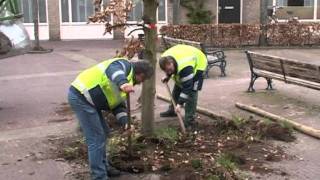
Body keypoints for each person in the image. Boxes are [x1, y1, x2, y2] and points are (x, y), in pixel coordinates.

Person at [68, 58, 153, 180]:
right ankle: (99, 176)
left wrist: (126, 123)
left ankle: (104, 167)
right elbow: (113, 70)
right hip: (81, 97)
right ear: (141, 74)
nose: (141, 82)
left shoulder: (128, 80)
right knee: (96, 138)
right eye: (143, 79)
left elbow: (118, 106)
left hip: (90, 102)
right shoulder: (124, 66)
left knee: (104, 133)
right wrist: (123, 83)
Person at [159, 44, 208, 130]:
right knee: (178, 85)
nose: (169, 71)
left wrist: (180, 104)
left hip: (199, 63)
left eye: (170, 70)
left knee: (191, 92)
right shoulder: (164, 58)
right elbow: (169, 70)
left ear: (171, 63)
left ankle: (190, 121)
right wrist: (168, 76)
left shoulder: (186, 68)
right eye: (166, 71)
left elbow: (187, 88)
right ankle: (172, 110)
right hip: (185, 56)